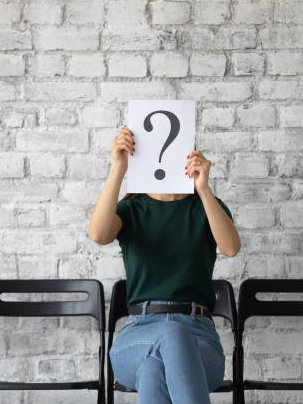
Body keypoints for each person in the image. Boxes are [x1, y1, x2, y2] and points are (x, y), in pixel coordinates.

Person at [88, 127, 241, 403]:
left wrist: (203, 189)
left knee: (152, 370)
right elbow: (99, 234)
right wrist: (118, 169)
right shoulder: (131, 210)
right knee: (168, 336)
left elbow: (231, 247)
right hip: (139, 333)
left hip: (200, 337)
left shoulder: (205, 207)